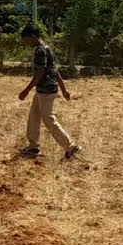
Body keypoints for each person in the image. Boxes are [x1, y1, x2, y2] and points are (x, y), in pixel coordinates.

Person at [18, 25, 81, 160]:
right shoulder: (46, 48)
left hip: (46, 91)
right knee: (34, 116)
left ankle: (71, 147)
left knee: (48, 119)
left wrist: (26, 90)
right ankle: (33, 146)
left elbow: (39, 73)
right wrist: (63, 89)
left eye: (27, 40)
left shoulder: (40, 51)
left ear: (33, 37)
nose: (26, 44)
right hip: (45, 90)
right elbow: (54, 70)